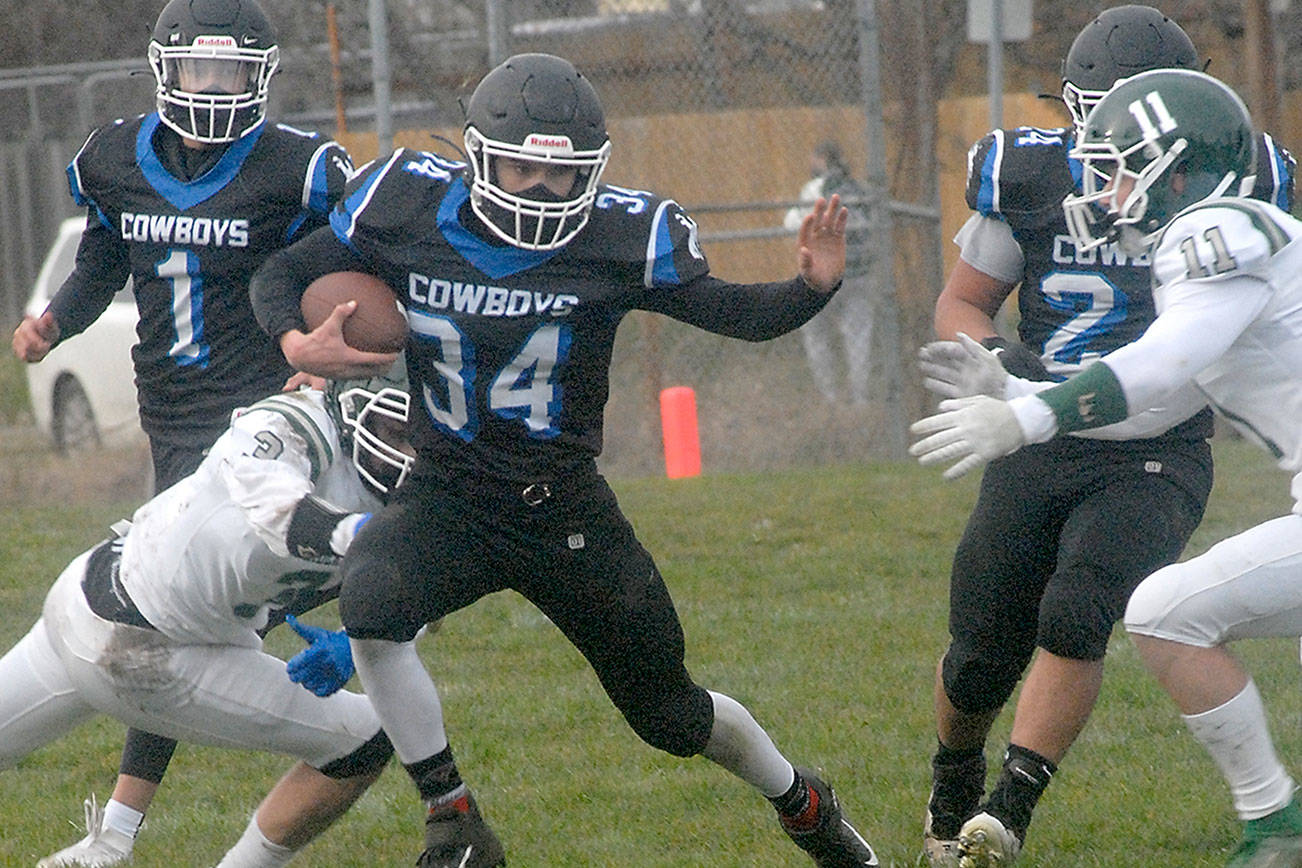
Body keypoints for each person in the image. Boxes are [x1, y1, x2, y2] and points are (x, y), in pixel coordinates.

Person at [248, 51, 877, 868]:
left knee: (673, 719)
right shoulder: (405, 202)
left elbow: (733, 314)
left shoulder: (619, 234)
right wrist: (295, 339)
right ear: (478, 155)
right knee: (371, 602)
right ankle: (453, 818)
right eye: (522, 168)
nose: (542, 191)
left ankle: (802, 801)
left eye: (562, 175)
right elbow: (285, 271)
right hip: (450, 492)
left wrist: (811, 289)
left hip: (564, 508)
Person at [909, 6, 1296, 867]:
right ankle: (958, 776)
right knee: (1005, 644)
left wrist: (1019, 408)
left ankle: (1011, 810)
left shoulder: (1223, 214)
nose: (1106, 171)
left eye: (1129, 151)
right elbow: (967, 302)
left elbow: (1163, 367)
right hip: (1051, 426)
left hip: (1149, 446)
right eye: (1095, 132)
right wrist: (998, 375)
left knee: (1091, 608)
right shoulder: (1060, 185)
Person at [11, 2, 356, 862]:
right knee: (181, 617)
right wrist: (57, 319)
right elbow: (104, 255)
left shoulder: (298, 169)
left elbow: (334, 270)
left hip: (260, 414)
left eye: (231, 72)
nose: (212, 88)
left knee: (185, 617)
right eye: (199, 71)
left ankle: (116, 836)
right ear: (166, 70)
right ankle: (116, 835)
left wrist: (322, 346)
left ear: (260, 76)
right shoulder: (115, 159)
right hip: (170, 409)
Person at [0, 369, 414, 867]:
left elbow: (434, 577)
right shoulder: (293, 427)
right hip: (138, 645)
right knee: (364, 740)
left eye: (417, 438)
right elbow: (286, 515)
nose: (407, 451)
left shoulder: (419, 485)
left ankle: (109, 844)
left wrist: (357, 635)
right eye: (396, 429)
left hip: (97, 591)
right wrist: (371, 537)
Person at [783, 140, 875, 406]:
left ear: (821, 159)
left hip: (822, 275)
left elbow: (793, 223)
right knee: (858, 335)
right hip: (859, 272)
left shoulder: (814, 189)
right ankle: (861, 399)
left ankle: (830, 397)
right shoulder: (857, 188)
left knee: (816, 333)